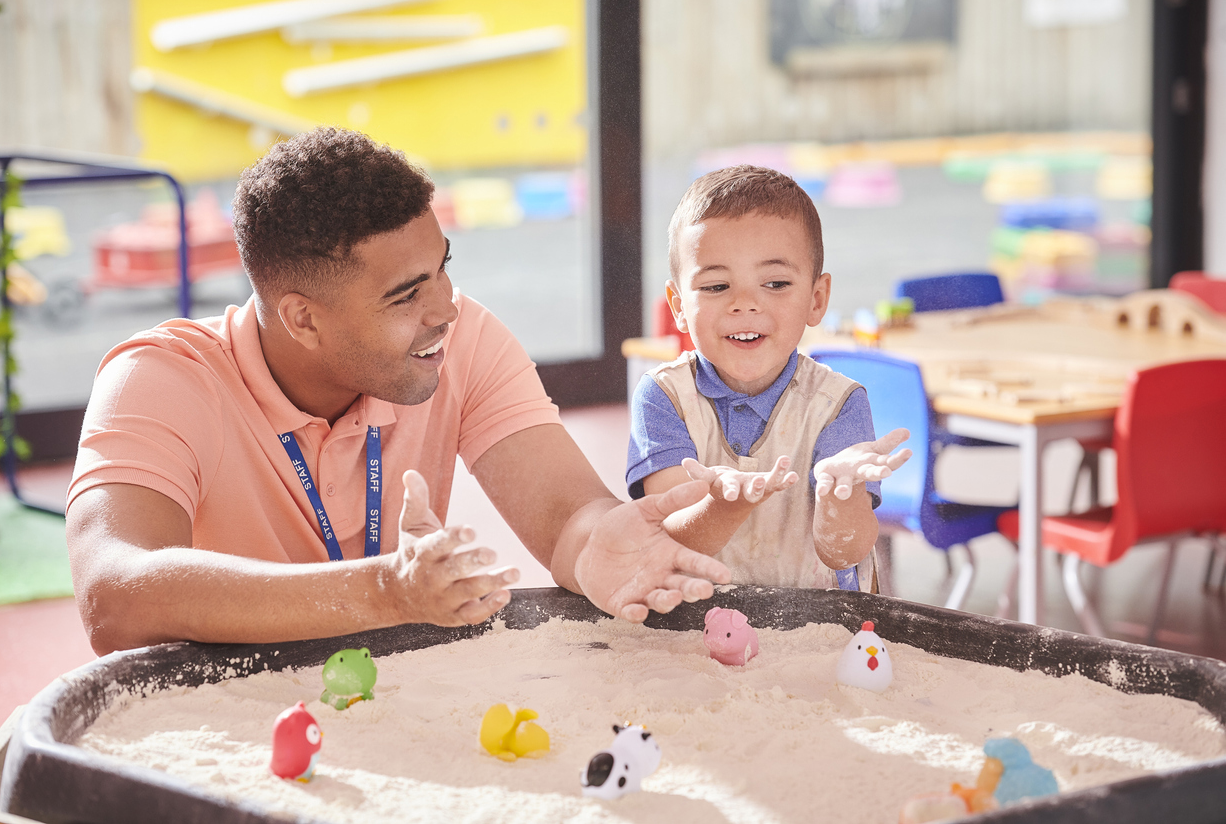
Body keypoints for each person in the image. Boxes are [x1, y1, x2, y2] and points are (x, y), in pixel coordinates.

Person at [65, 127, 729, 656]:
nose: (444, 308)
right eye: (406, 294)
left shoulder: (463, 339)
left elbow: (568, 521)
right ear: (302, 318)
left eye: (441, 269)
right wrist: (387, 590)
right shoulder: (160, 379)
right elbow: (114, 596)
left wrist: (600, 543)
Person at [626, 165, 912, 591]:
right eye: (717, 286)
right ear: (678, 305)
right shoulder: (664, 397)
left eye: (775, 283)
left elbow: (842, 553)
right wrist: (725, 504)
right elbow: (672, 532)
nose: (745, 304)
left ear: (817, 299)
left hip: (820, 632)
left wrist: (839, 495)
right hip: (693, 633)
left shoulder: (837, 404)